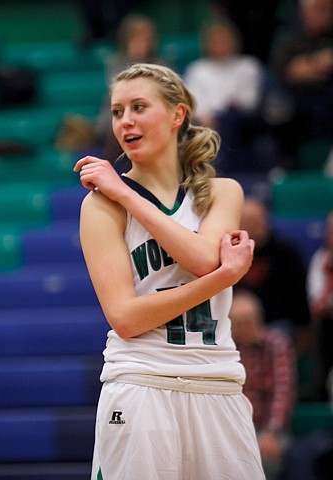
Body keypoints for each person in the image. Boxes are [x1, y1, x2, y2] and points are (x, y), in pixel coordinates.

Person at [74, 63, 264, 479]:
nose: (125, 121)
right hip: (142, 383)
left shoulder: (222, 191)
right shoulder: (100, 206)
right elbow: (125, 318)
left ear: (178, 115)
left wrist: (124, 191)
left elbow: (201, 259)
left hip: (218, 383)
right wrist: (222, 279)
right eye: (117, 111)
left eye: (139, 107)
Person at [184, 17, 270, 174]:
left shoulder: (249, 66)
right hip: (206, 122)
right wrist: (204, 115)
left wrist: (232, 106)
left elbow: (250, 101)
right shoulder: (197, 70)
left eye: (224, 39)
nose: (221, 44)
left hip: (242, 122)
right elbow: (192, 102)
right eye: (216, 40)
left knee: (230, 119)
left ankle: (225, 171)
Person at [230, 289, 296, 480]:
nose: (242, 328)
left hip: (267, 427)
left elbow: (283, 393)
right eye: (237, 323)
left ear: (258, 320)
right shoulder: (226, 348)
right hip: (235, 427)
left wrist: (271, 432)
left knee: (265, 457)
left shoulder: (276, 344)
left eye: (247, 322)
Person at [238, 198, 312, 344]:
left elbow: (299, 295)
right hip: (239, 321)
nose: (254, 225)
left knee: (279, 335)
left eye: (258, 220)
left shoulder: (286, 252)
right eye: (249, 221)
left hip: (278, 321)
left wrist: (303, 327)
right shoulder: (231, 252)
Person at [269, 0, 333, 166]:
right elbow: (289, 71)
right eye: (319, 9)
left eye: (327, 9)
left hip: (326, 98)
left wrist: (307, 66)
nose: (325, 14)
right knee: (278, 111)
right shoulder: (289, 37)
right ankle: (286, 169)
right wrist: (320, 63)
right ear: (304, 12)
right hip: (297, 100)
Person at [95, 13, 165, 161]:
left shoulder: (161, 62)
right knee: (117, 122)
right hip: (119, 109)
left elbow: (165, 89)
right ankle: (112, 168)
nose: (144, 42)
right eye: (138, 38)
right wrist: (136, 58)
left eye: (147, 38)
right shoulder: (116, 62)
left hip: (151, 108)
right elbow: (119, 89)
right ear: (128, 39)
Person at [307, 211, 333, 400]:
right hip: (327, 319)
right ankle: (322, 388)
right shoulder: (321, 258)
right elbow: (315, 295)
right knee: (320, 323)